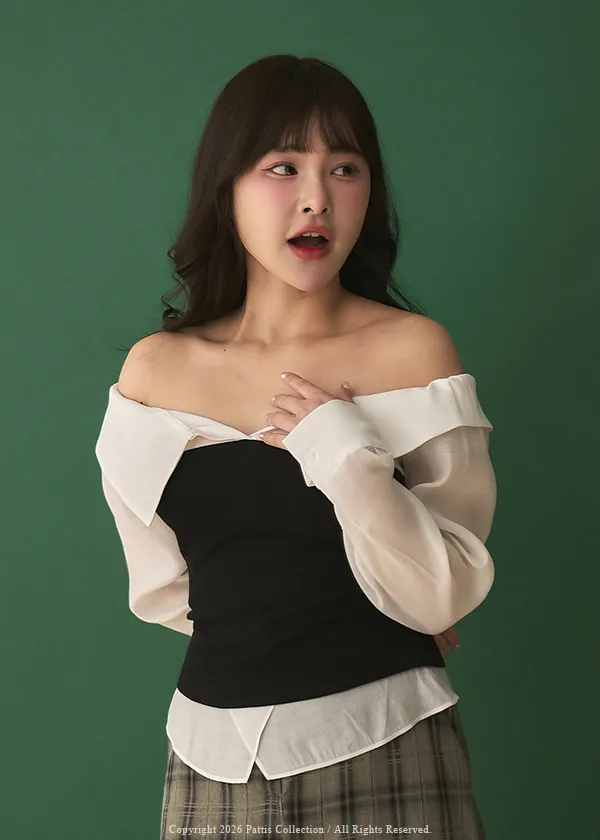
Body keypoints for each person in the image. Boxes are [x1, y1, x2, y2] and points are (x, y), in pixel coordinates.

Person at [95, 54, 496, 839]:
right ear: (226, 188)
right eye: (283, 167)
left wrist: (343, 454)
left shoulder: (413, 353)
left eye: (345, 168)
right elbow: (166, 587)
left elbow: (440, 594)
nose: (317, 198)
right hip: (208, 764)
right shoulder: (155, 373)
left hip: (389, 744)